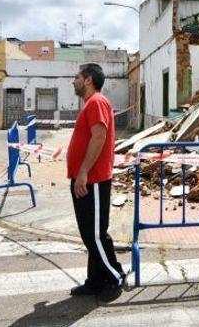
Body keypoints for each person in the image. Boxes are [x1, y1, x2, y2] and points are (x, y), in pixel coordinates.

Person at [66, 63, 125, 302]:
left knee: (96, 234)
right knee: (89, 234)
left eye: (77, 77)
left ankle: (114, 277)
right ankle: (95, 280)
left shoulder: (97, 102)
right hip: (86, 179)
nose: (74, 81)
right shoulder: (90, 104)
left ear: (88, 79)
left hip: (94, 180)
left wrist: (83, 173)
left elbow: (99, 136)